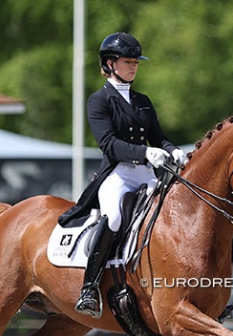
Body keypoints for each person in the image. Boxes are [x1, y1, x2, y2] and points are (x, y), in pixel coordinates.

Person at [58, 32, 188, 318]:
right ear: (109, 63)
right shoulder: (99, 101)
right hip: (118, 174)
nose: (133, 67)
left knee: (173, 213)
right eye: (128, 62)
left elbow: (158, 137)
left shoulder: (142, 100)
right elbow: (109, 144)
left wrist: (173, 150)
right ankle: (89, 289)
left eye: (136, 63)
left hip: (146, 174)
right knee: (114, 218)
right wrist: (144, 153)